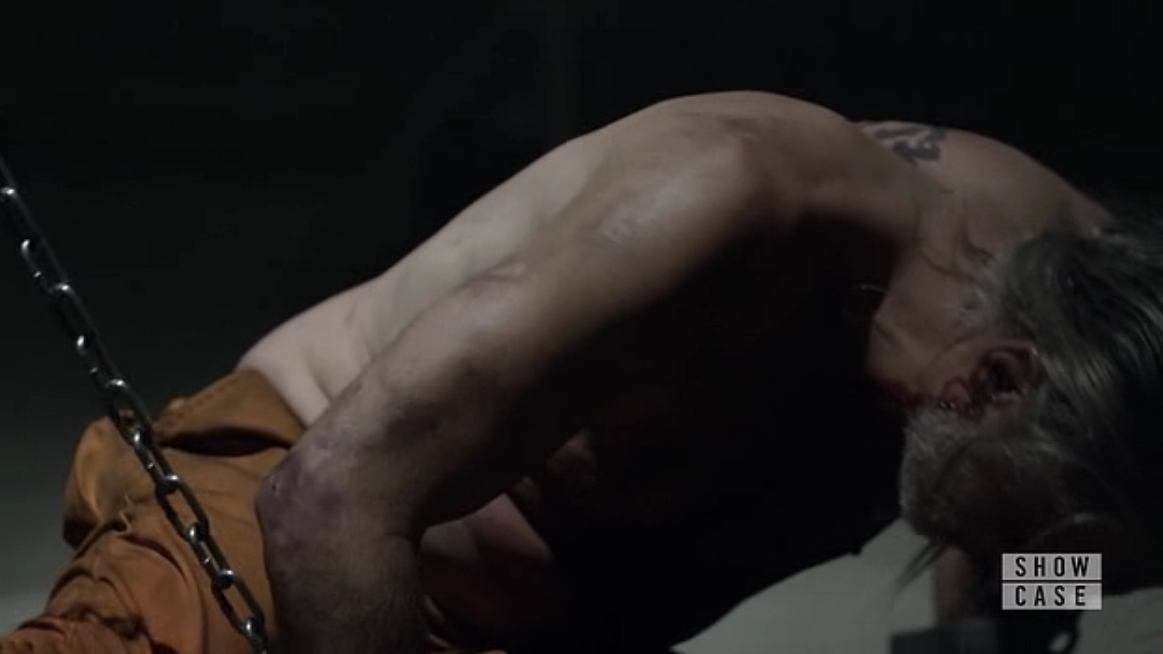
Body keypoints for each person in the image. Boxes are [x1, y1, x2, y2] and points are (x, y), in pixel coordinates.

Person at [2, 91, 1159, 654]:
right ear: (989, 383)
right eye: (1017, 541)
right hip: (309, 542)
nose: (1028, 571)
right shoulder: (729, 205)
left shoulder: (1101, 329)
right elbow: (329, 504)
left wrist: (993, 626)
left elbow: (1025, 555)